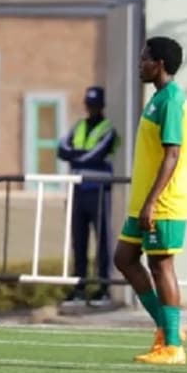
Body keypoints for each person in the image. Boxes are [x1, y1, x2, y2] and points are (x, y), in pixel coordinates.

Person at [114, 36, 187, 366]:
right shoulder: (158, 98)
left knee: (161, 266)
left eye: (144, 58)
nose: (139, 63)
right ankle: (166, 325)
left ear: (158, 64)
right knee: (125, 258)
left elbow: (172, 155)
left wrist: (151, 203)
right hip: (143, 203)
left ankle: (173, 345)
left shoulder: (171, 101)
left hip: (162, 203)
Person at [57, 86, 119, 306]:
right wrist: (76, 155)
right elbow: (61, 148)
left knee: (102, 239)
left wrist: (75, 156)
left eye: (95, 105)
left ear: (101, 106)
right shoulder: (79, 126)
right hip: (78, 190)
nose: (91, 108)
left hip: (99, 190)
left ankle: (103, 288)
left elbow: (95, 154)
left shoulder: (107, 129)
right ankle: (80, 287)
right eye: (89, 104)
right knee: (78, 240)